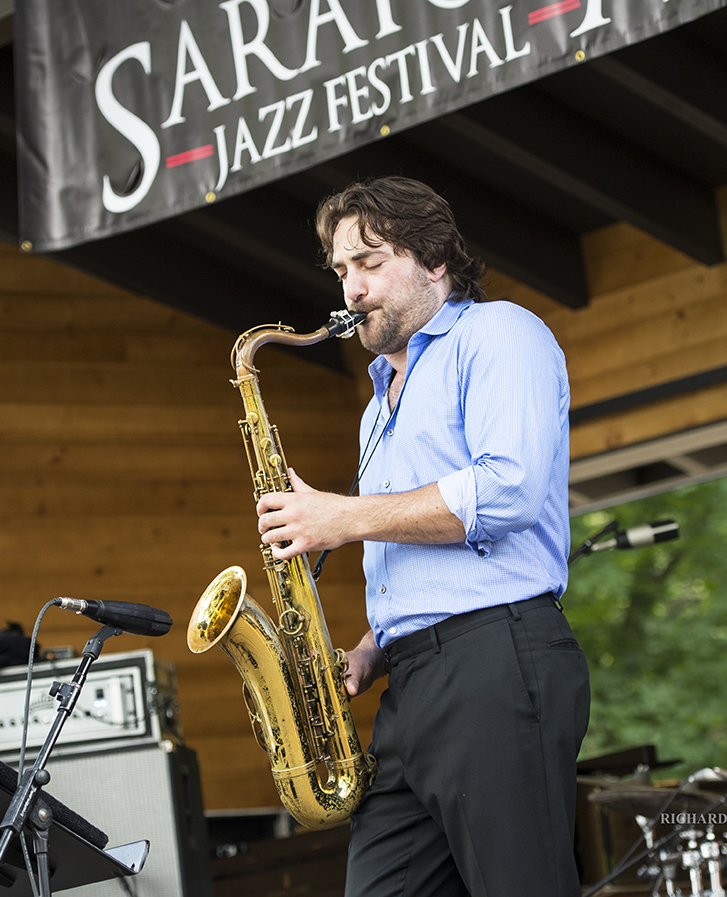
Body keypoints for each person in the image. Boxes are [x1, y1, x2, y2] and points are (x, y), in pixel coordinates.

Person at [255, 176, 589, 897]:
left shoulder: (500, 332)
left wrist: (342, 516)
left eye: (371, 263)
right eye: (341, 270)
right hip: (410, 686)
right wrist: (371, 651)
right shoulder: (376, 408)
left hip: (496, 661)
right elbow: (418, 548)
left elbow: (508, 490)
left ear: (435, 258)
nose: (352, 289)